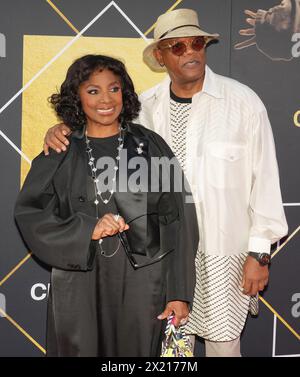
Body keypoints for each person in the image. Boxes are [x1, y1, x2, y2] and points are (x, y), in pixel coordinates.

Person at [42, 9, 288, 357]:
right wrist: (62, 129)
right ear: (160, 56)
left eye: (197, 43)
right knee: (170, 353)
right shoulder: (141, 108)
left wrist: (260, 254)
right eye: (177, 46)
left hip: (224, 256)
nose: (190, 52)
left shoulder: (242, 102)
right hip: (162, 260)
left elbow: (265, 180)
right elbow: (97, 133)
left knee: (224, 347)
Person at [14, 54, 199, 357]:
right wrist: (87, 228)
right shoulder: (60, 149)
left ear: (124, 94)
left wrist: (179, 292)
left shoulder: (151, 146)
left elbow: (180, 220)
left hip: (143, 280)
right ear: (77, 96)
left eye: (114, 89)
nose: (105, 99)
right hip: (78, 279)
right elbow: (30, 213)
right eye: (92, 90)